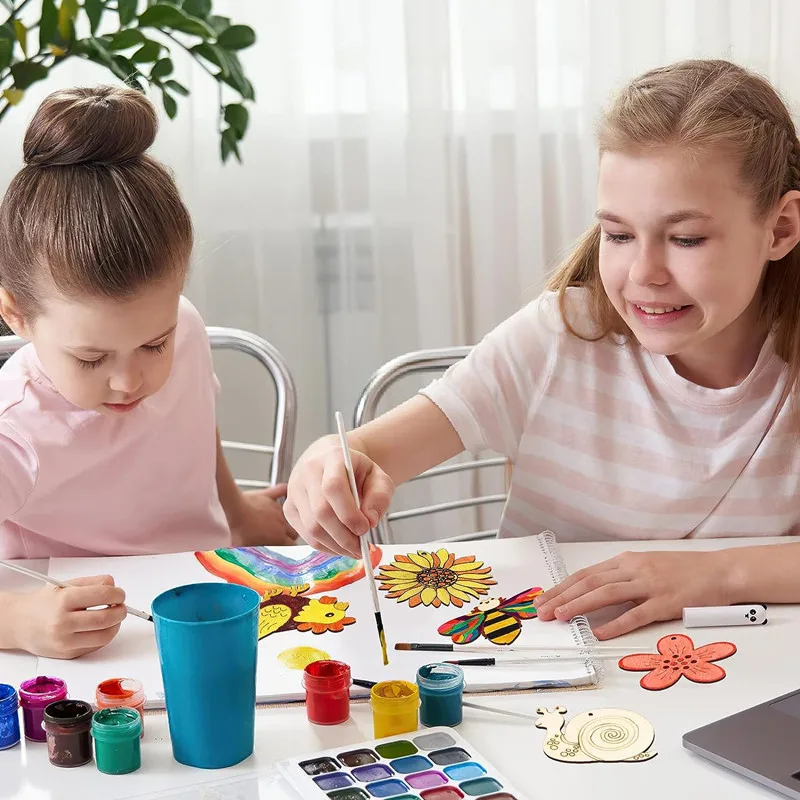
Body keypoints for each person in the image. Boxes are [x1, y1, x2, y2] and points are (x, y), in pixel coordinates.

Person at [285, 58, 800, 640]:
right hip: (551, 681)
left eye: (686, 238)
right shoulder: (558, 339)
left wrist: (716, 573)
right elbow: (371, 454)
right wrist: (327, 463)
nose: (644, 272)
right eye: (619, 234)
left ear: (780, 229)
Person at [0, 86, 296, 659]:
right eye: (91, 359)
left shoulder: (184, 327)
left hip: (210, 596)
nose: (129, 381)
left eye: (153, 346)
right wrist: (16, 624)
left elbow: (193, 426)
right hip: (94, 648)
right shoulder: (13, 433)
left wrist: (235, 512)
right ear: (16, 316)